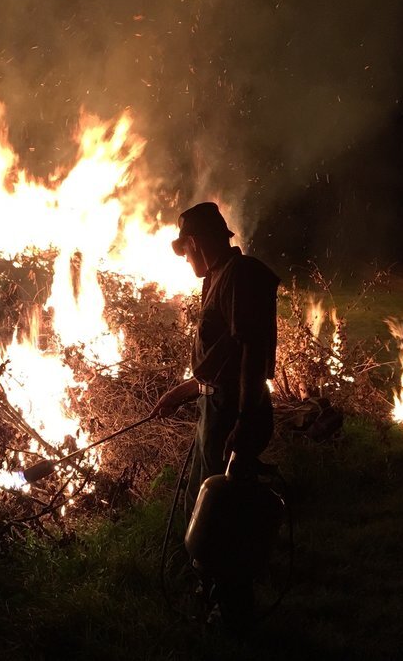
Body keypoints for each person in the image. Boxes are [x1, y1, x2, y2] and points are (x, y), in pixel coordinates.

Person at [151, 201, 280, 628]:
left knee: (224, 511)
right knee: (203, 498)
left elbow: (250, 354)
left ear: (195, 242)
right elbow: (220, 358)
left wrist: (244, 420)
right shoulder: (218, 278)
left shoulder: (240, 277)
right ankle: (210, 592)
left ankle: (231, 609)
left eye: (185, 251)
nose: (185, 259)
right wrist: (182, 392)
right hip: (215, 406)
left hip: (231, 411)